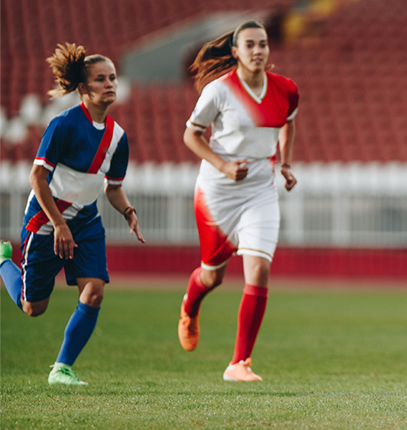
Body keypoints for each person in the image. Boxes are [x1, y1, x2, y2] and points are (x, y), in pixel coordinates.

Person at [0, 43, 145, 385]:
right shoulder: (63, 125)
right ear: (83, 88)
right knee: (33, 307)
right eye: (100, 79)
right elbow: (37, 177)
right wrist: (58, 224)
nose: (109, 84)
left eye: (112, 78)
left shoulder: (118, 138)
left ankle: (61, 369)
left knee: (94, 290)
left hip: (86, 223)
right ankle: (5, 262)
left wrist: (128, 210)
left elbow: (112, 186)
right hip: (46, 223)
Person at [177, 20, 299, 382]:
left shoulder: (286, 89)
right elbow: (191, 135)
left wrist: (286, 164)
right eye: (250, 45)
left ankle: (239, 363)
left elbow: (288, 124)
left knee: (259, 268)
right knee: (212, 276)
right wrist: (223, 166)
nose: (258, 51)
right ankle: (190, 305)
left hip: (260, 187)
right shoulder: (218, 91)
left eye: (262, 44)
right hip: (218, 191)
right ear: (235, 52)